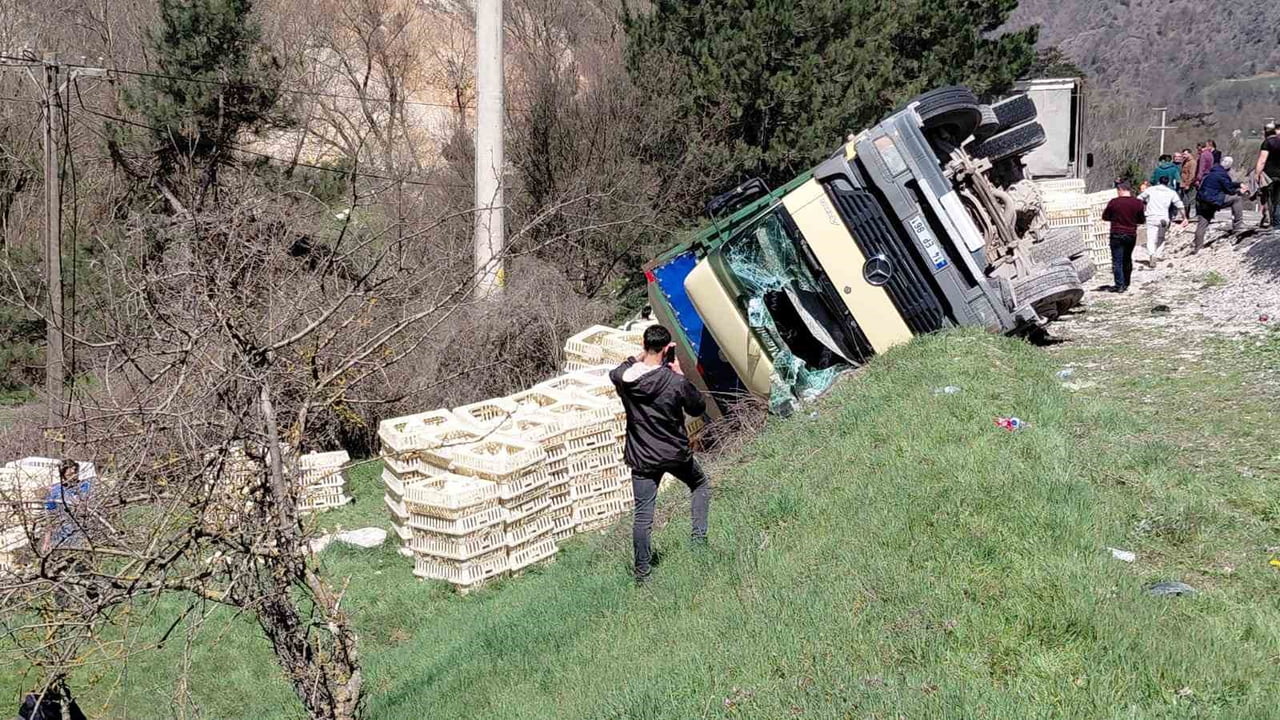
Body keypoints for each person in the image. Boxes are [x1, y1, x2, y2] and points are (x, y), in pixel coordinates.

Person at [610, 325, 710, 583]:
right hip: (675, 453)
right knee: (699, 484)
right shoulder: (674, 381)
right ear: (667, 349)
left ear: (645, 345)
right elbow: (698, 408)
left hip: (642, 457)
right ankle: (698, 540)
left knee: (643, 514)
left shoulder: (624, 379)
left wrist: (639, 357)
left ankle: (643, 574)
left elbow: (618, 370)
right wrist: (679, 372)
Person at [1194, 156, 1245, 253]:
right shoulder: (1222, 174)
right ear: (1229, 167)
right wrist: (1239, 190)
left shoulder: (1211, 173)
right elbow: (1229, 189)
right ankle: (1238, 225)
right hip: (1214, 200)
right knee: (1237, 199)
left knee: (1202, 223)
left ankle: (1198, 248)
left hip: (1202, 200)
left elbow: (1224, 184)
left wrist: (1238, 184)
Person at [1101, 180, 1145, 292]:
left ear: (1120, 190)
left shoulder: (1114, 202)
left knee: (1117, 261)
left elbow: (1105, 216)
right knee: (1127, 259)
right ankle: (1126, 283)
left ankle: (1119, 284)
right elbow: (1141, 220)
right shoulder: (1138, 203)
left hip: (1116, 233)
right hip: (1131, 234)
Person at [1138, 176, 1188, 267]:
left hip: (1151, 216)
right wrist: (1184, 217)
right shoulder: (1171, 192)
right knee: (1161, 237)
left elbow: (1139, 198)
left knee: (1151, 238)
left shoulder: (1150, 190)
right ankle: (1157, 254)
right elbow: (1179, 205)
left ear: (1158, 182)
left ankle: (1151, 254)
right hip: (1164, 217)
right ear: (1168, 183)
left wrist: (1143, 206)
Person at [1254, 123, 1280, 229]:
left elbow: (1262, 160)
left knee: (1270, 199)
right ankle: (1278, 224)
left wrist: (1257, 174)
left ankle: (1273, 223)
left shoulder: (1268, 143)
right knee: (1278, 200)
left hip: (1270, 175)